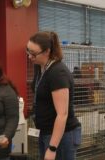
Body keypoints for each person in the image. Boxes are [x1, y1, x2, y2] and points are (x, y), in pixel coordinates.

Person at [27, 31, 81, 160]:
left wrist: (52, 148)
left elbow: (62, 114)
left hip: (61, 136)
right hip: (45, 131)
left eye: (33, 53)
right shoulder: (39, 66)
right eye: (27, 50)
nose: (29, 56)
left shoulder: (58, 73)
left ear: (47, 51)